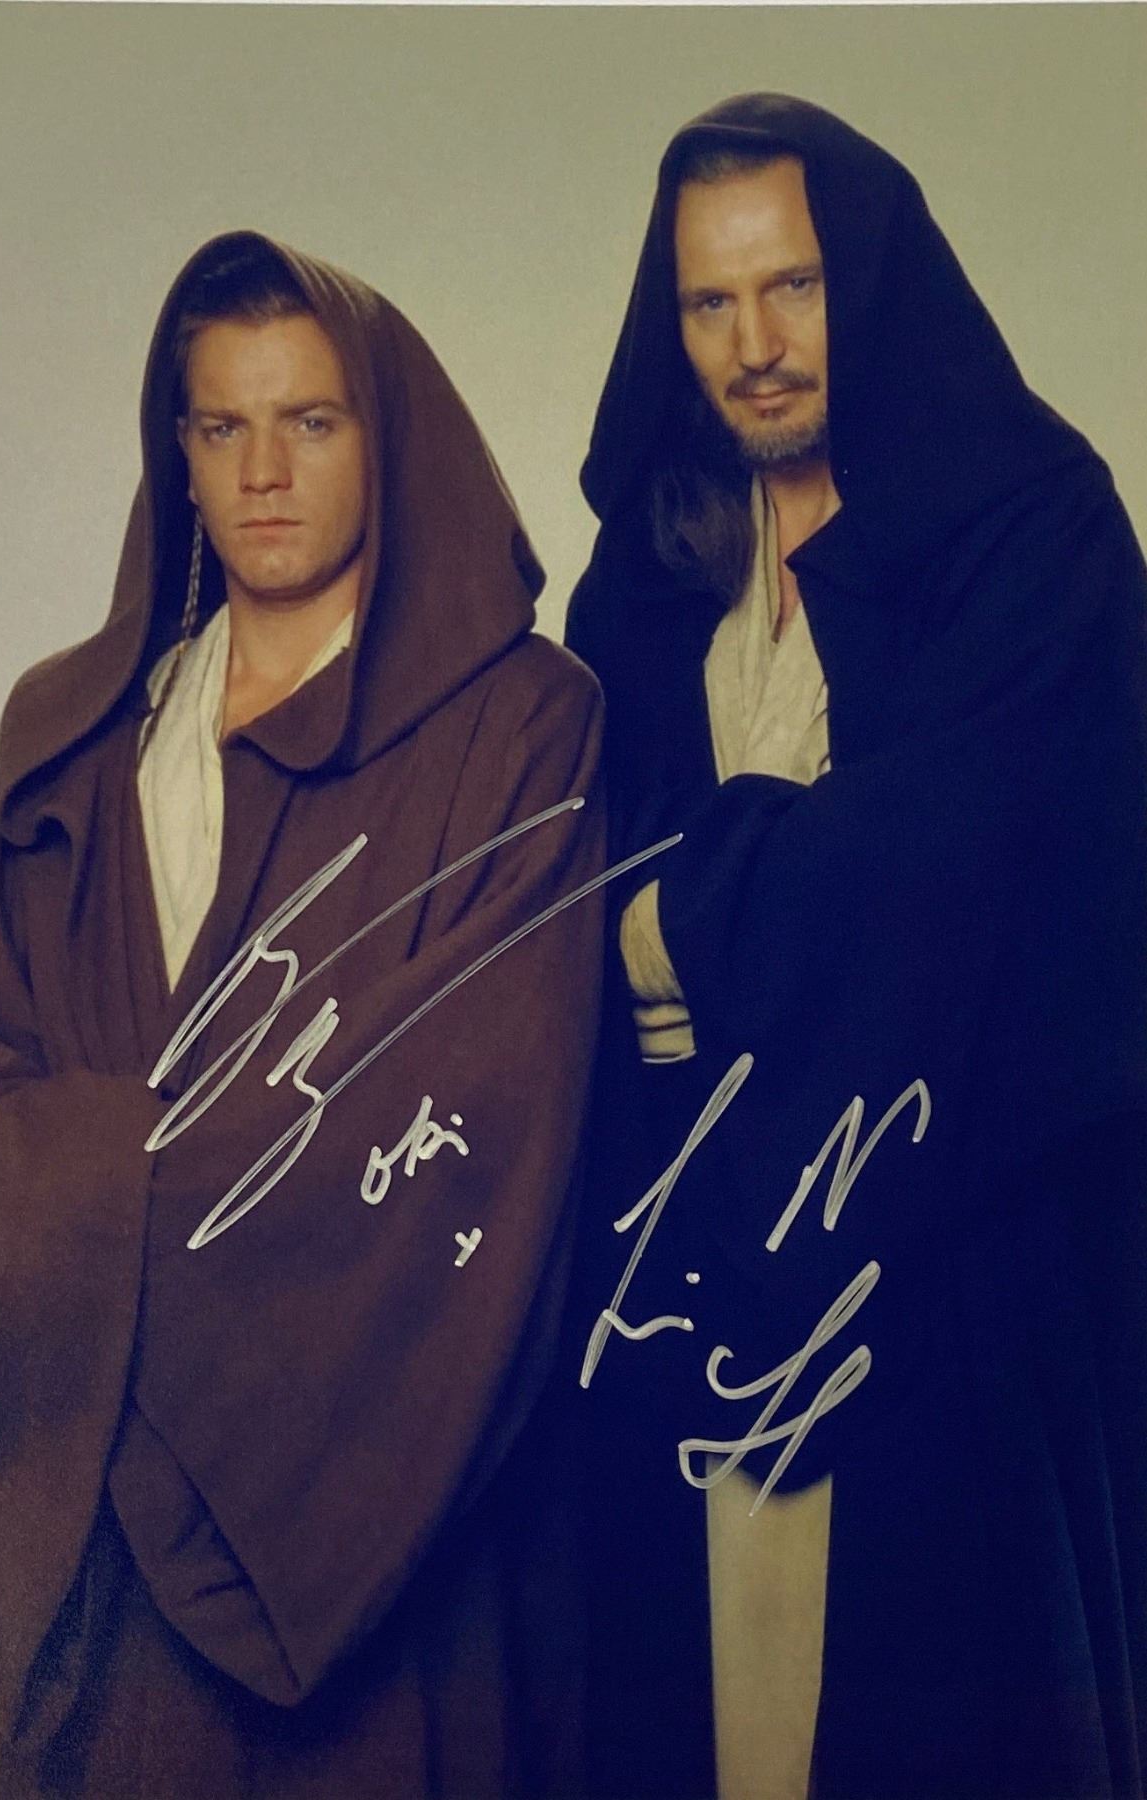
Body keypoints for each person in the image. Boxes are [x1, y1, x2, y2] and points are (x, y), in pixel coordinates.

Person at [0, 231, 605, 1799]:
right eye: (219, 425)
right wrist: (140, 1189)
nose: (262, 472)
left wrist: (100, 1201)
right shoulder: (70, 741)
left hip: (381, 1512)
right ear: (176, 453)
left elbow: (477, 1112)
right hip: (100, 1524)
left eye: (309, 421)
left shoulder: (521, 728)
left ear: (387, 436)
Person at [565, 93, 1147, 1800]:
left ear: (869, 279)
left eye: (792, 286)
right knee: (696, 1719)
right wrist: (762, 894)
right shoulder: (652, 574)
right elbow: (570, 873)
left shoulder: (1033, 531)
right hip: (687, 1257)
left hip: (955, 1261)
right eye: (708, 302)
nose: (753, 344)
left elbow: (970, 885)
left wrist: (678, 923)